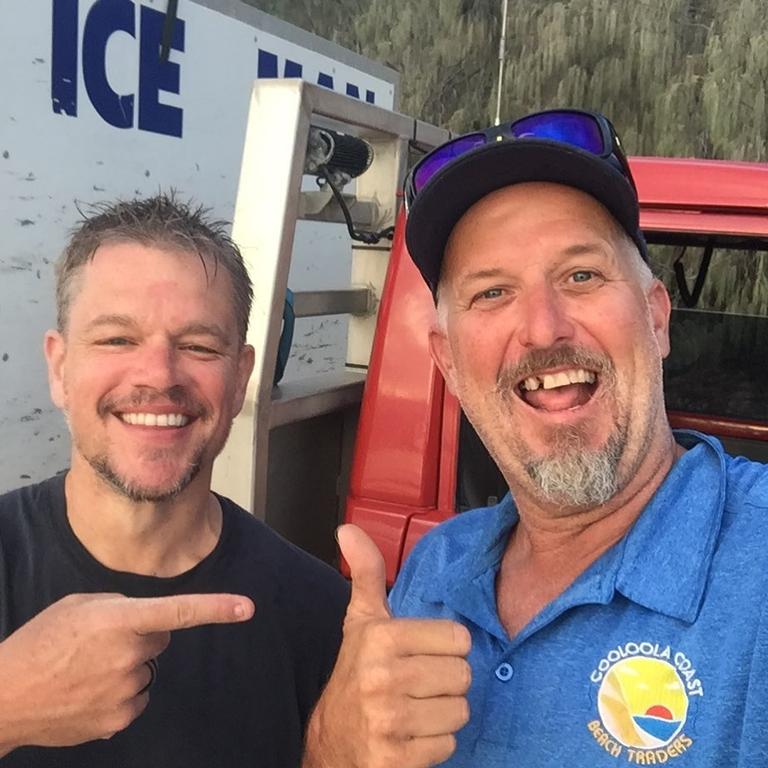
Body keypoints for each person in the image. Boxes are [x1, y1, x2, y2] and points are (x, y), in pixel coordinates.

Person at [304, 110, 768, 767]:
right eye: (493, 292)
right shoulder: (436, 571)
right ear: (449, 366)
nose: (543, 329)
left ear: (657, 318)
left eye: (581, 276)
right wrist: (335, 745)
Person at [0, 194, 350, 766]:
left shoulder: (321, 615)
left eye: (197, 346)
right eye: (117, 339)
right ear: (59, 368)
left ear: (240, 379)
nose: (158, 375)